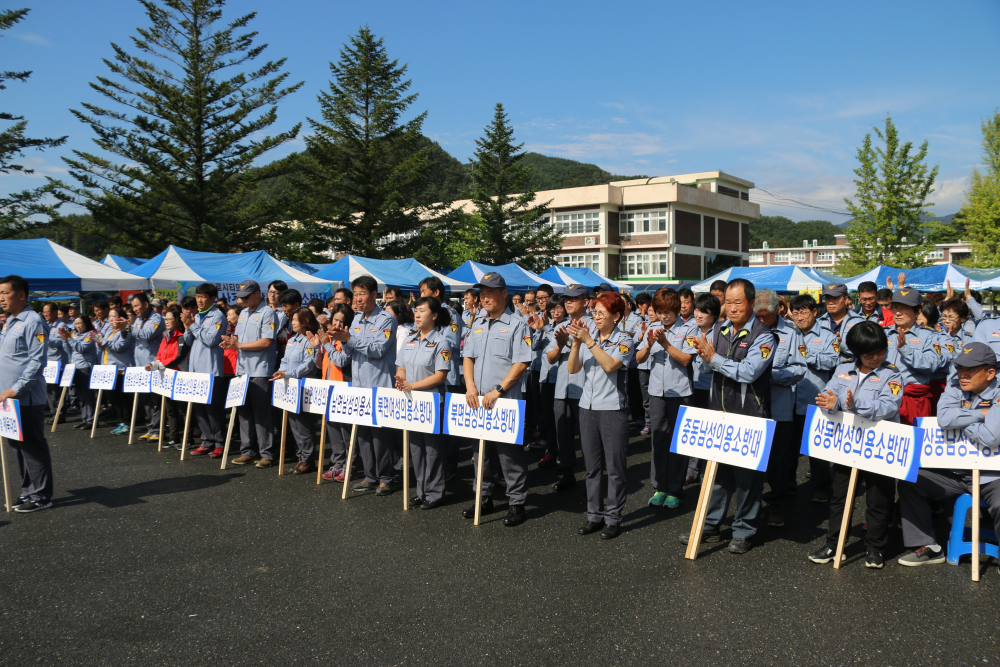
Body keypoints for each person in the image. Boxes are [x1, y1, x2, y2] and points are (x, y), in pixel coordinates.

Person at [684, 278, 775, 554]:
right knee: (717, 475)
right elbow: (707, 370)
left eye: (738, 302)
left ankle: (744, 530)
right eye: (729, 302)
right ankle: (710, 525)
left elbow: (749, 371)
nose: (732, 308)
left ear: (750, 303)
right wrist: (703, 356)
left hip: (749, 415)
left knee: (747, 479)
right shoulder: (721, 330)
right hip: (719, 412)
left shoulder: (765, 335)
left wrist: (714, 359)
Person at [809, 322, 904, 569]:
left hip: (880, 444)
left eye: (881, 351)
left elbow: (889, 405)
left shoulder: (891, 374)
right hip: (847, 444)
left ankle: (875, 548)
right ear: (856, 353)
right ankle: (834, 544)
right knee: (840, 496)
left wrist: (855, 403)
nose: (876, 358)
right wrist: (829, 403)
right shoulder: (842, 370)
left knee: (879, 497)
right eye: (868, 354)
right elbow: (829, 395)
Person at [898, 341, 1000, 566]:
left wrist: (962, 419)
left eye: (970, 370)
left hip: (993, 475)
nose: (962, 374)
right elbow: (944, 419)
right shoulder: (955, 385)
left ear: (990, 373)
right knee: (911, 480)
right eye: (960, 367)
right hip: (955, 471)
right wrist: (983, 413)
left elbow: (992, 436)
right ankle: (929, 546)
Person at [461, 273, 533, 526]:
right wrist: (470, 386)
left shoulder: (517, 323)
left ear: (503, 294)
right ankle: (483, 497)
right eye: (482, 293)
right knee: (481, 452)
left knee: (509, 455)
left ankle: (516, 503)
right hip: (477, 400)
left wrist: (499, 390)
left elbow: (522, 361)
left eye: (491, 292)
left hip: (504, 400)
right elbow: (467, 356)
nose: (485, 297)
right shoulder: (478, 322)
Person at [567, 291, 634, 539]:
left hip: (612, 410)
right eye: (594, 311)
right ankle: (594, 515)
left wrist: (589, 342)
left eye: (601, 313)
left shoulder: (624, 340)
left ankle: (613, 518)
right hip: (587, 407)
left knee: (615, 468)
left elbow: (610, 365)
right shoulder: (588, 338)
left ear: (616, 316)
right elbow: (573, 369)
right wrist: (576, 344)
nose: (595, 316)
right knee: (592, 467)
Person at [326, 275, 398, 495]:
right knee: (363, 435)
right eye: (355, 293)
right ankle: (370, 476)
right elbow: (347, 354)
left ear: (374, 295)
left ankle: (386, 477)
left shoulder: (386, 319)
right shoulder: (355, 319)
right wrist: (339, 340)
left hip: (379, 385)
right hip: (358, 386)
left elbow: (378, 350)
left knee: (379, 435)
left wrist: (350, 339)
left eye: (362, 293)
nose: (357, 298)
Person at [635, 288, 699, 508]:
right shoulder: (653, 327)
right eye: (660, 311)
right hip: (656, 392)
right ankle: (660, 487)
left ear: (676, 309)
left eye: (668, 311)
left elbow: (685, 360)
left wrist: (665, 344)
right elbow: (638, 358)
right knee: (659, 440)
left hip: (680, 392)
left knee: (678, 442)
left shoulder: (689, 328)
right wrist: (650, 344)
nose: (663, 316)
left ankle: (675, 489)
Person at [0, 275, 54, 513]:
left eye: (5, 293)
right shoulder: (11, 321)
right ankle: (27, 491)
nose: (1, 298)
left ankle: (41, 496)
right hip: (8, 399)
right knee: (16, 445)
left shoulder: (33, 321)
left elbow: (37, 361)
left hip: (25, 397)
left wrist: (17, 388)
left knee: (32, 445)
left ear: (21, 295)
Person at [394, 296, 453, 509]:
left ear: (434, 315)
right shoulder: (410, 339)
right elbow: (400, 366)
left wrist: (412, 386)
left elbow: (440, 376)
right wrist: (401, 380)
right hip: (411, 401)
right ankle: (421, 490)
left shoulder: (441, 342)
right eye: (416, 310)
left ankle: (435, 492)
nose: (417, 315)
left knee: (432, 449)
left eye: (422, 311)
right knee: (416, 448)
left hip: (432, 401)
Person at [754, 290, 806, 527]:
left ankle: (776, 504)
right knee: (751, 460)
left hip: (779, 408)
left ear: (778, 311)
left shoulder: (791, 332)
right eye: (758, 315)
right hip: (751, 407)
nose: (762, 320)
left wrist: (770, 376)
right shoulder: (747, 328)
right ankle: (751, 506)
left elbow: (799, 369)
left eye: (767, 316)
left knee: (777, 461)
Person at [790, 294, 841, 502]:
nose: (799, 316)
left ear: (814, 312)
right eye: (795, 312)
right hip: (789, 398)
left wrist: (806, 354)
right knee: (788, 448)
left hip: (815, 400)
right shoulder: (786, 333)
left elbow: (833, 361)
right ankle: (788, 485)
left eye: (803, 311)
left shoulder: (828, 336)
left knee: (817, 449)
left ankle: (822, 488)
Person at [541, 284, 592, 491]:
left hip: (586, 388)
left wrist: (570, 344)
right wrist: (561, 344)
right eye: (566, 299)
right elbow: (551, 358)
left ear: (586, 302)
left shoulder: (594, 325)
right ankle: (567, 472)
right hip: (562, 387)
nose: (568, 302)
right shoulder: (559, 326)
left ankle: (594, 475)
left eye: (574, 299)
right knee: (563, 434)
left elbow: (590, 352)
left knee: (589, 437)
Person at [221, 280, 277, 468]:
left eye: (246, 297)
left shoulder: (268, 312)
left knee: (262, 414)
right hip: (242, 370)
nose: (242, 300)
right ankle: (248, 451)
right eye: (241, 297)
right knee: (244, 412)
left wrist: (238, 345)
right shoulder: (243, 313)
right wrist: (231, 342)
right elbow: (239, 338)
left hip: (260, 370)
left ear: (256, 294)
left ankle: (266, 454)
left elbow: (266, 342)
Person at [418, 276, 465, 480]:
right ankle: (433, 467)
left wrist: (430, 339)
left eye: (423, 292)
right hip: (429, 377)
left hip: (449, 378)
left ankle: (449, 467)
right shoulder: (425, 317)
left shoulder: (450, 314)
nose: (420, 296)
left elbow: (452, 343)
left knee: (448, 427)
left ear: (435, 293)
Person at [886, 288, 946, 425]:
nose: (898, 312)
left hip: (914, 402)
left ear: (918, 311)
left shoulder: (929, 337)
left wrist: (905, 349)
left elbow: (932, 364)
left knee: (915, 443)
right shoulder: (883, 334)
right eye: (895, 307)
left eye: (904, 308)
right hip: (885, 399)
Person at [273, 307, 321, 474]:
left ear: (305, 320)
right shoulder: (293, 339)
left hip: (303, 385)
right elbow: (285, 359)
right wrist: (281, 370)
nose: (292, 322)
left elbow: (309, 365)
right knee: (294, 424)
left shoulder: (311, 339)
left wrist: (288, 373)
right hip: (290, 384)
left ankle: (307, 459)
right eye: (292, 319)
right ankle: (301, 456)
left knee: (303, 425)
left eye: (295, 319)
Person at [181, 283, 226, 457]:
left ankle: (219, 442)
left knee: (213, 409)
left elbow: (210, 339)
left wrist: (192, 326)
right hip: (195, 370)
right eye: (198, 296)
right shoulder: (197, 316)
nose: (199, 300)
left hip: (210, 370)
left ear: (212, 298)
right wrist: (187, 327)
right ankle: (207, 441)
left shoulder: (218, 316)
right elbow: (190, 341)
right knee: (199, 408)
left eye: (203, 296)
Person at [316, 302, 358, 483]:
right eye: (335, 320)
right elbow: (321, 365)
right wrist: (318, 348)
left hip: (344, 388)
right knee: (333, 430)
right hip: (329, 388)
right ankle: (338, 463)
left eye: (342, 322)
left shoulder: (347, 340)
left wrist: (326, 345)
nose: (337, 325)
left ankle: (351, 466)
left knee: (346, 431)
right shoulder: (330, 338)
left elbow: (341, 361)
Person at [146, 308, 190, 448]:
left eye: (170, 319)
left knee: (183, 410)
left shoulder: (181, 336)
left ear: (177, 320)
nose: (167, 321)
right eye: (166, 319)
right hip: (166, 376)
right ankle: (174, 437)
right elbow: (160, 355)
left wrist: (161, 365)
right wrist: (153, 364)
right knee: (170, 409)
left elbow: (178, 356)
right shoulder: (165, 336)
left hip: (179, 375)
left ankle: (188, 440)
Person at [130, 293, 165, 441]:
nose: (135, 309)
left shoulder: (156, 318)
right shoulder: (138, 320)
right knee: (146, 399)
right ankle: (150, 428)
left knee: (155, 399)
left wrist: (129, 328)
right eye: (133, 307)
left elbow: (147, 334)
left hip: (153, 366)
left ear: (145, 304)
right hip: (140, 367)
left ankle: (157, 429)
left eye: (137, 306)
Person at [59, 314, 99, 430]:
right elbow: (68, 351)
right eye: (76, 324)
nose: (77, 326)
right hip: (75, 367)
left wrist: (70, 338)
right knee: (80, 395)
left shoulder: (91, 334)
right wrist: (65, 339)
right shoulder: (75, 335)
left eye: (80, 323)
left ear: (86, 323)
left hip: (85, 367)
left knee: (88, 395)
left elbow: (81, 348)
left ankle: (92, 420)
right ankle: (85, 419)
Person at [102, 305, 136, 434]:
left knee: (124, 399)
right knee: (113, 398)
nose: (111, 319)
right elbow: (104, 347)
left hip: (122, 369)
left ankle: (127, 423)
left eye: (114, 316)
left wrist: (103, 342)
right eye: (109, 317)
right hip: (110, 369)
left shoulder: (125, 332)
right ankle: (121, 422)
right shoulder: (109, 331)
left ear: (121, 318)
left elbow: (120, 347)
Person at [817, 283, 865, 364]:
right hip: (823, 373)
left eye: (835, 298)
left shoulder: (859, 322)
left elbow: (864, 352)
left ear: (846, 299)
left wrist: (841, 345)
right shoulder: (817, 323)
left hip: (848, 373)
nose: (831, 302)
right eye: (828, 298)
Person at [42, 302, 70, 420]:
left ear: (54, 312)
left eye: (47, 312)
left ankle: (60, 413)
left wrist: (46, 339)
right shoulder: (46, 325)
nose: (45, 314)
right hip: (47, 362)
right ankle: (54, 412)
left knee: (56, 390)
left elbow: (61, 342)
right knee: (48, 389)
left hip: (58, 362)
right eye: (44, 312)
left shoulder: (62, 326)